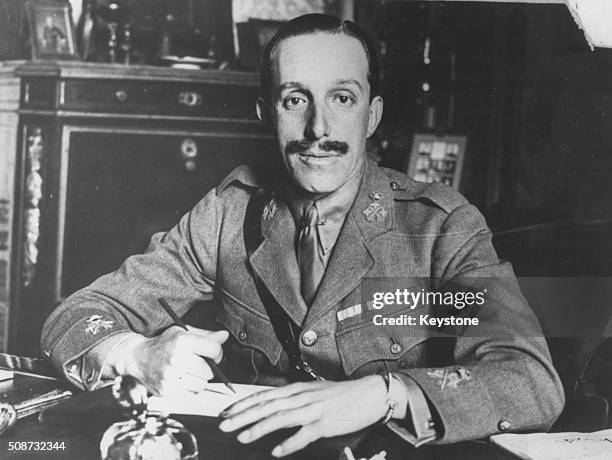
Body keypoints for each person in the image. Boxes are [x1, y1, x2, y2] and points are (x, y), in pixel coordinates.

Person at [41, 14, 564, 457]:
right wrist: (136, 354)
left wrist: (386, 393)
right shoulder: (228, 213)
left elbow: (528, 379)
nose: (319, 129)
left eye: (342, 98)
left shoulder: (438, 226)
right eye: (296, 100)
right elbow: (75, 316)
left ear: (372, 115)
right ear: (267, 114)